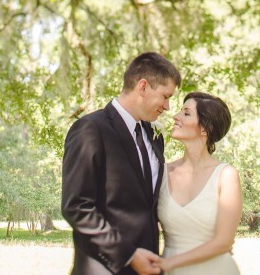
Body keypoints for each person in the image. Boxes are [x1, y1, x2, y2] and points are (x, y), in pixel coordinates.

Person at [61, 52, 181, 275]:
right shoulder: (90, 129)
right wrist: (128, 254)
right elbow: (77, 206)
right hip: (103, 267)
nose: (167, 106)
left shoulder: (154, 137)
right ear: (143, 87)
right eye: (165, 96)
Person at [156, 92, 242, 275]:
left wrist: (168, 263)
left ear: (205, 128)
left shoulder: (226, 175)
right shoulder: (161, 172)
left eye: (186, 113)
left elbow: (224, 242)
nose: (175, 116)